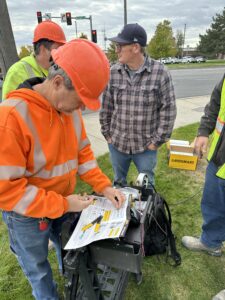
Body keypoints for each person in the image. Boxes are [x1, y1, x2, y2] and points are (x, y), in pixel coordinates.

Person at [0, 39, 125, 300]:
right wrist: (64, 204)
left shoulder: (69, 111)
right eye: (79, 101)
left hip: (63, 204)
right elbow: (8, 191)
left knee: (68, 250)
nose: (81, 109)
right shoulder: (11, 118)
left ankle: (71, 283)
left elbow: (84, 157)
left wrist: (103, 186)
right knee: (38, 269)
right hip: (26, 216)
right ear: (57, 83)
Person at [99, 23, 176, 186]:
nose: (116, 50)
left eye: (119, 46)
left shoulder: (160, 73)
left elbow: (168, 111)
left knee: (147, 186)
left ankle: (149, 211)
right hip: (117, 144)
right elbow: (106, 107)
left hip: (146, 147)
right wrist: (108, 135)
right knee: (119, 183)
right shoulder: (113, 72)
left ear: (135, 47)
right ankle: (122, 212)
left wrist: (156, 142)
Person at [182, 75, 225, 257]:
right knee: (212, 203)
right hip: (220, 159)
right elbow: (215, 104)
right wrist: (203, 132)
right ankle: (210, 242)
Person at [2, 20, 66, 99]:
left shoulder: (60, 70)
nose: (60, 55)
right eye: (57, 50)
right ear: (43, 49)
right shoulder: (17, 72)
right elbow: (9, 108)